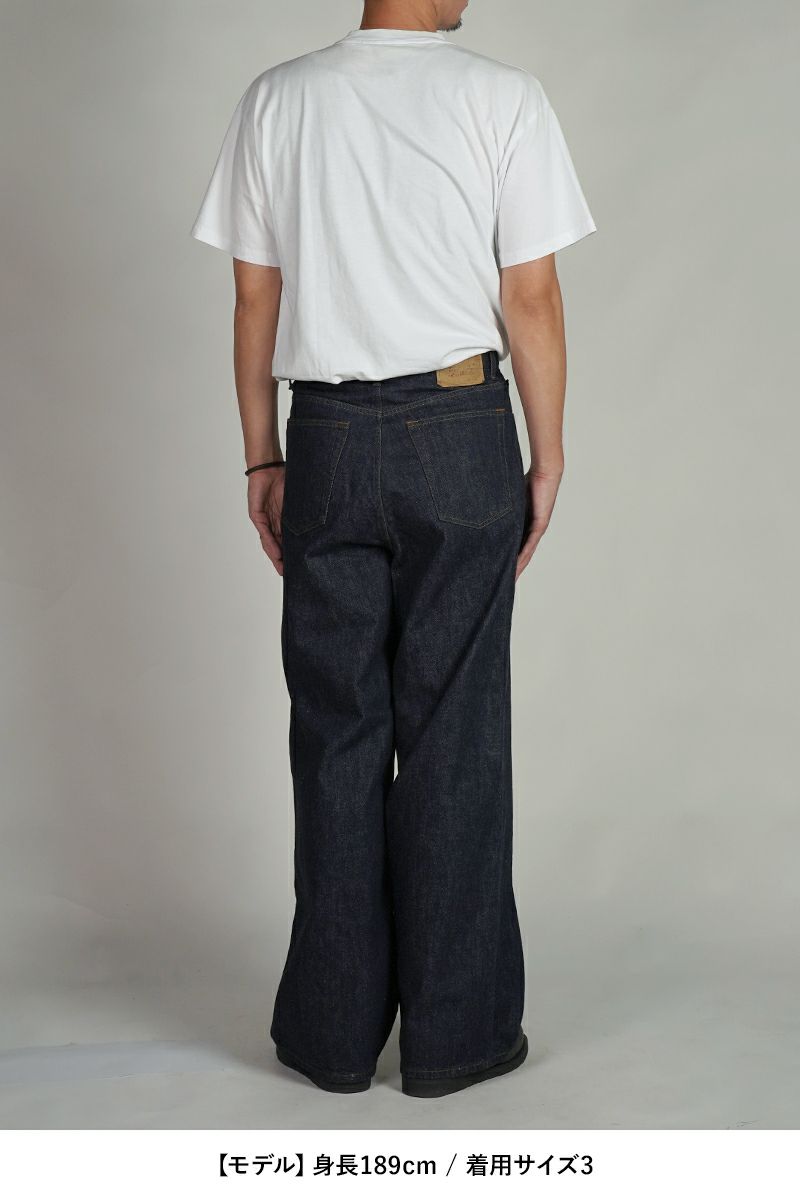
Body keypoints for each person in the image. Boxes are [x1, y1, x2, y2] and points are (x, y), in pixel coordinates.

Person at [189, 0, 595, 1098]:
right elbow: (529, 295)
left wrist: (262, 457)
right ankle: (456, 1039)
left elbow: (254, 296)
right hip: (460, 431)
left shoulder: (278, 99)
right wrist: (547, 455)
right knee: (454, 735)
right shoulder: (501, 97)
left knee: (336, 736)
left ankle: (330, 1038)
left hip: (323, 432)